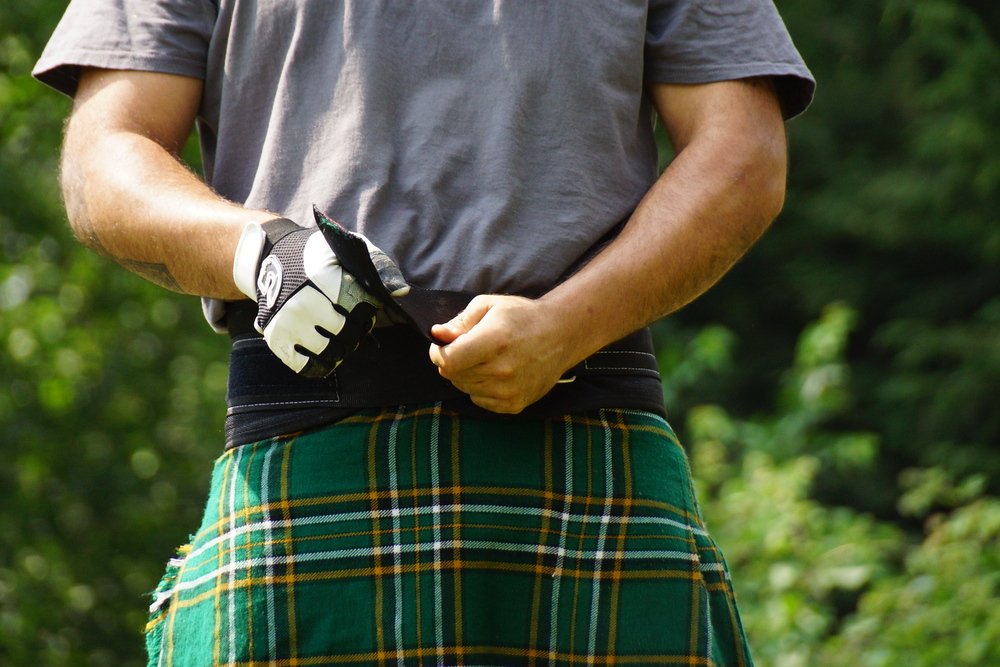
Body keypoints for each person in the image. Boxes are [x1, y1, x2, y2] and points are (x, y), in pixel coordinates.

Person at [35, 1, 813, 665]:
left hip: (590, 436)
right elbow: (106, 152)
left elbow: (742, 151)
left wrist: (567, 326)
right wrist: (262, 251)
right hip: (308, 455)